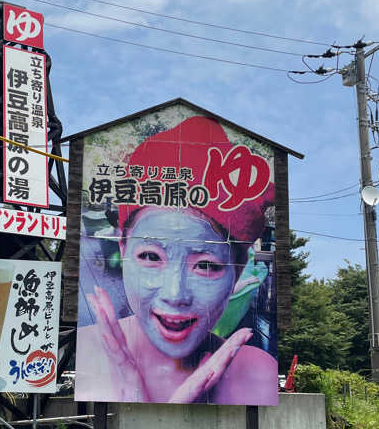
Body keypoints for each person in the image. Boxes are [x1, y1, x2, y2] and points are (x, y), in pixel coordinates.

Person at [75, 115, 277, 404]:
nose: (175, 294)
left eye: (206, 265)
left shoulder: (255, 372)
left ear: (239, 267)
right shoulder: (86, 354)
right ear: (123, 248)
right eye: (150, 257)